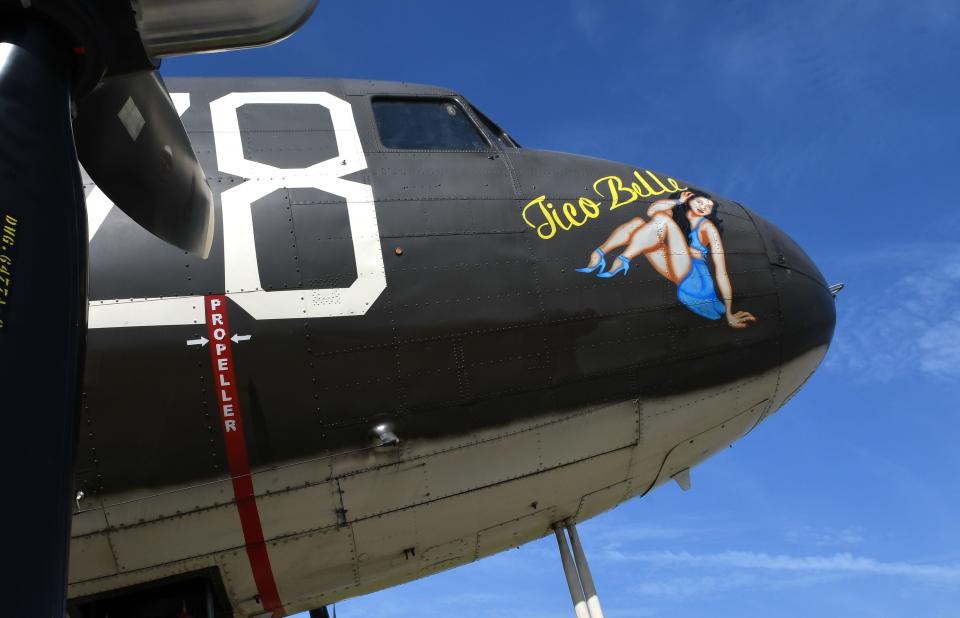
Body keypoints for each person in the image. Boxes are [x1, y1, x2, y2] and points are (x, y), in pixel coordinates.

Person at [576, 190, 756, 328]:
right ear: (689, 199)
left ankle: (624, 258)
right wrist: (678, 201)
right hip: (675, 267)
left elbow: (721, 271)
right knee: (639, 224)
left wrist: (730, 312)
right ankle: (599, 254)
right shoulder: (677, 218)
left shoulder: (707, 227)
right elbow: (651, 210)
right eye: (700, 201)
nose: (703, 207)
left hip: (695, 278)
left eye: (708, 206)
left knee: (662, 220)